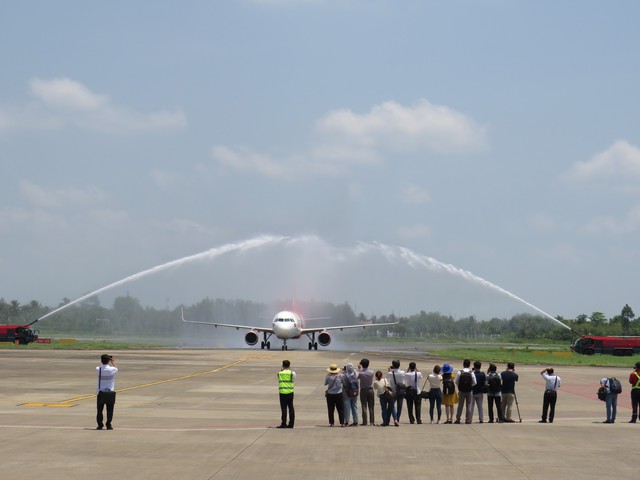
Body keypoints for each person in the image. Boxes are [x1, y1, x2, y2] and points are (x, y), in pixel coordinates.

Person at [96, 354, 118, 430]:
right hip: (110, 393)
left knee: (99, 410)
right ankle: (108, 424)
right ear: (109, 360)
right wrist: (112, 362)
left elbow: (100, 366)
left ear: (101, 361)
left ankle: (100, 425)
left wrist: (105, 361)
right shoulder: (113, 369)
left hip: (100, 392)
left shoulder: (98, 369)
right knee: (110, 410)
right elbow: (116, 369)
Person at [454, 359, 476, 424]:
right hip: (469, 391)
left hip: (461, 391)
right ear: (469, 365)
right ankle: (468, 419)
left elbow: (456, 381)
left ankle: (458, 419)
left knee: (460, 405)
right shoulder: (471, 373)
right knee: (469, 405)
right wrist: (470, 386)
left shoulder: (460, 372)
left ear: (463, 364)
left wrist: (460, 387)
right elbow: (475, 382)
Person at [386, 359, 406, 426]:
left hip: (393, 391)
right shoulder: (402, 372)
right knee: (399, 407)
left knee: (391, 406)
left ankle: (388, 420)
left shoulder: (390, 373)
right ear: (399, 365)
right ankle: (397, 419)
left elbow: (387, 376)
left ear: (393, 365)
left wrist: (389, 370)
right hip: (401, 391)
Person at [277, 359, 295, 428]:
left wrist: (282, 370)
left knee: (283, 409)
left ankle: (283, 423)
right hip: (290, 392)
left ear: (282, 365)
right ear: (289, 365)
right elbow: (293, 379)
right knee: (291, 408)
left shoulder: (279, 373)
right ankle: (291, 424)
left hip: (282, 392)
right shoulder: (292, 373)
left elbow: (279, 379)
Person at [358, 358, 375, 426]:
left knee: (364, 406)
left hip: (363, 390)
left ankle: (365, 422)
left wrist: (359, 369)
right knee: (371, 406)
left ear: (362, 365)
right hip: (370, 390)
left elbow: (357, 376)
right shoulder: (372, 372)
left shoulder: (361, 373)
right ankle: (372, 422)